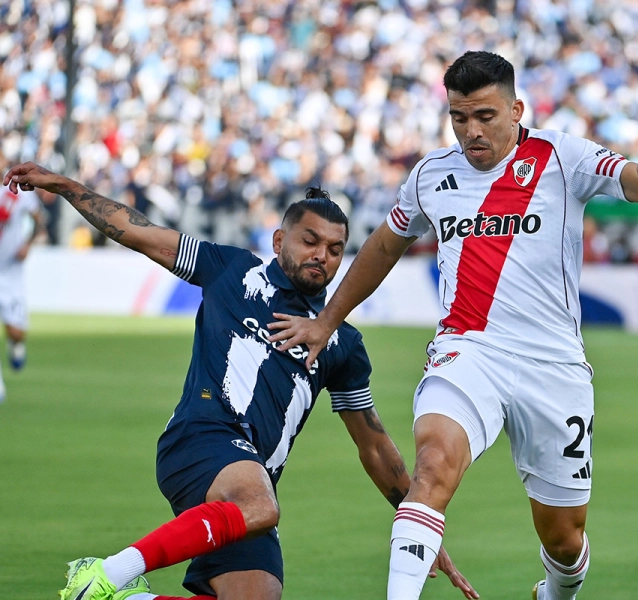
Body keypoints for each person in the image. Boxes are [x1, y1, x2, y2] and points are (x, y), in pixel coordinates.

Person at [266, 51, 638, 600]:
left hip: (552, 366)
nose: (471, 131)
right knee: (432, 466)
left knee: (563, 537)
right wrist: (326, 320)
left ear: (516, 109)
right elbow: (385, 246)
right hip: (468, 351)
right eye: (459, 117)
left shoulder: (563, 157)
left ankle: (556, 592)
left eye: (485, 116)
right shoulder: (432, 175)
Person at [2, 162, 477, 600]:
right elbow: (135, 231)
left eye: (335, 249)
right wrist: (64, 186)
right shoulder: (232, 270)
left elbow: (373, 445)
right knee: (260, 505)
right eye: (309, 241)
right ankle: (108, 572)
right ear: (278, 241)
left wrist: (418, 520)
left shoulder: (342, 342)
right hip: (200, 438)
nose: (322, 257)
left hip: (249, 486)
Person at [0, 179, 43, 404]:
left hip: (10, 272)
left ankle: (15, 343)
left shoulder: (18, 193)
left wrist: (28, 243)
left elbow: (38, 219)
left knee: (16, 332)